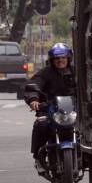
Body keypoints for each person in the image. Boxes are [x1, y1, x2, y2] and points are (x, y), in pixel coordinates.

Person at [25, 43, 76, 173]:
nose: (60, 60)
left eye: (63, 57)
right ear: (52, 60)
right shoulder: (45, 73)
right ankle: (38, 157)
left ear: (68, 58)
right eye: (57, 58)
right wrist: (34, 99)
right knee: (41, 125)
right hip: (51, 110)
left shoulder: (77, 72)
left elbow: (89, 87)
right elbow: (33, 84)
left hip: (74, 110)